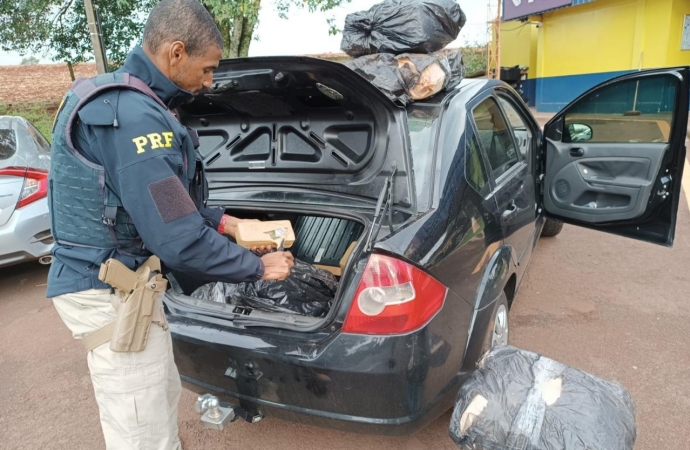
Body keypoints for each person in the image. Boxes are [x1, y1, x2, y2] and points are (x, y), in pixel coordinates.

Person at [46, 0, 294, 448]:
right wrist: (258, 267)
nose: (210, 81)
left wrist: (227, 223)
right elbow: (177, 238)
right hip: (109, 291)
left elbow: (161, 203)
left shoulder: (133, 101)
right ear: (175, 52)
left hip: (126, 286)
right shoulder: (135, 118)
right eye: (207, 68)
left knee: (158, 397)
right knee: (142, 429)